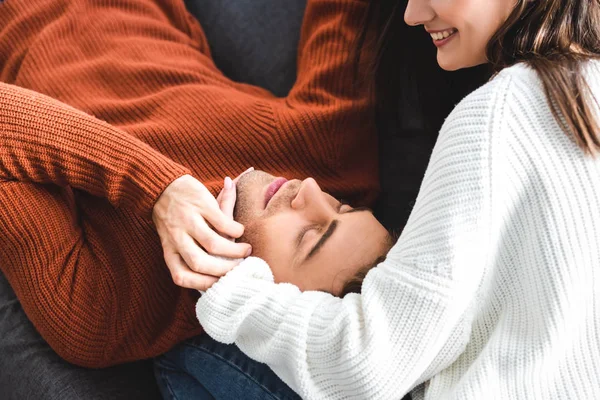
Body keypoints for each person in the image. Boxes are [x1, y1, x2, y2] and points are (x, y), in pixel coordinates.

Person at [193, 0, 600, 399]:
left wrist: (234, 292)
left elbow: (371, 363)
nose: (412, 14)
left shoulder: (501, 113)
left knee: (196, 356)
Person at [0, 0, 380, 371]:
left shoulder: (101, 310)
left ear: (265, 304)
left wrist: (152, 188)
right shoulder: (332, 159)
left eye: (309, 237)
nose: (311, 190)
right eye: (342, 206)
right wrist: (164, 188)